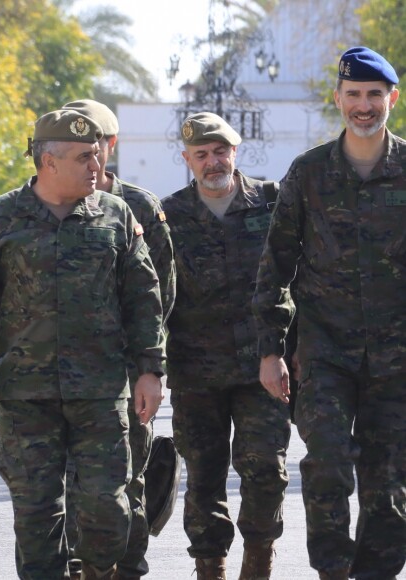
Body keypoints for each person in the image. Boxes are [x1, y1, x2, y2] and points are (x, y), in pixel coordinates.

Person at [0, 109, 166, 580]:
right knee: (37, 519)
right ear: (48, 162)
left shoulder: (116, 215)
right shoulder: (1, 217)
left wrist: (150, 370)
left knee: (108, 510)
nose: (97, 166)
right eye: (85, 157)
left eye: (98, 155)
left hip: (102, 393)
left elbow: (144, 299)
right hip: (27, 397)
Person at [253, 46, 406, 580]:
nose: (363, 106)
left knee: (389, 484)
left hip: (397, 358)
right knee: (327, 467)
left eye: (373, 95)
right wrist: (270, 351)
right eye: (353, 95)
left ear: (392, 97)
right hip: (324, 355)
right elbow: (274, 265)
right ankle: (333, 572)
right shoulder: (309, 172)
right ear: (338, 98)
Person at [161, 112, 291, 580]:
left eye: (220, 152)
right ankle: (209, 568)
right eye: (201, 155)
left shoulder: (273, 203)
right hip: (195, 373)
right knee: (203, 478)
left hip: (264, 365)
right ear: (187, 159)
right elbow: (151, 296)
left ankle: (258, 563)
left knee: (266, 471)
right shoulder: (168, 215)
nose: (212, 162)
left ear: (236, 152)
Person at [59, 98, 176, 580]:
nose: (88, 155)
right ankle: (77, 567)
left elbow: (162, 289)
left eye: (95, 145)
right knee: (69, 482)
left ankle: (128, 568)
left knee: (128, 480)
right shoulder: (47, 203)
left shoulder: (140, 205)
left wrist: (148, 364)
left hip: (126, 375)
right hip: (63, 375)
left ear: (110, 146)